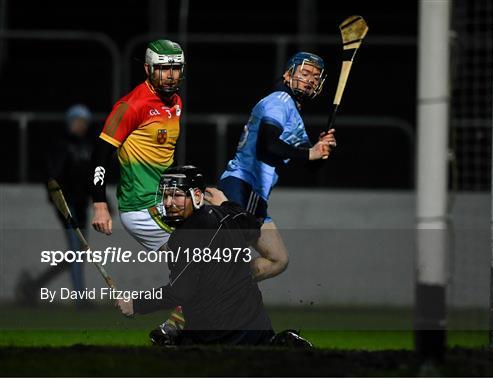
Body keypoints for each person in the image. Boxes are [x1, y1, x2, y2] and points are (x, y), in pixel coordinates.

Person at [115, 165, 311, 347]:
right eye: (165, 196)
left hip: (218, 337)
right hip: (257, 330)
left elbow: (179, 292)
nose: (168, 203)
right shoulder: (225, 215)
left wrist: (136, 304)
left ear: (197, 196)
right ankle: (280, 342)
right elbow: (250, 224)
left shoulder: (184, 237)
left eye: (176, 196)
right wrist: (226, 203)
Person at [218, 52, 337, 281]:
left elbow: (311, 166)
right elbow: (267, 145)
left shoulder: (294, 117)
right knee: (227, 259)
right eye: (304, 73)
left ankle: (227, 289)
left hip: (256, 196)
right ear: (287, 74)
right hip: (243, 185)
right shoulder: (279, 101)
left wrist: (323, 150)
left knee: (277, 259)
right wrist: (311, 152)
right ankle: (188, 308)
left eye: (315, 77)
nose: (310, 80)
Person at [89, 39, 184, 251]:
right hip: (141, 208)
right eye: (162, 69)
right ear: (148, 68)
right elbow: (100, 155)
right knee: (198, 259)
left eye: (175, 68)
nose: (170, 75)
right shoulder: (131, 106)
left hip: (167, 201)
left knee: (207, 259)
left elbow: (165, 153)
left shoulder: (175, 102)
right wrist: (100, 204)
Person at [16, 104, 93, 307]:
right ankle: (81, 300)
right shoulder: (61, 147)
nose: (81, 125)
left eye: (84, 122)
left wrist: (102, 200)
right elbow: (53, 177)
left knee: (79, 252)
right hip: (68, 207)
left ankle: (36, 284)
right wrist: (58, 201)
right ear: (70, 123)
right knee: (77, 250)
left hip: (81, 205)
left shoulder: (86, 147)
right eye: (77, 121)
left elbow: (90, 178)